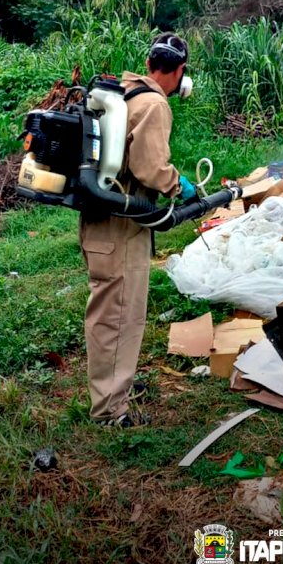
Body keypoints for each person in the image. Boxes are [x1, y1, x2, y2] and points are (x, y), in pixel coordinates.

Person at [79, 33, 196, 427]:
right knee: (120, 315)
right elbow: (150, 168)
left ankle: (113, 386)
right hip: (121, 226)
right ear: (178, 71)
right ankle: (111, 411)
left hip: (97, 219)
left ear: (149, 64)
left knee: (107, 309)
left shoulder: (122, 93)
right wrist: (179, 185)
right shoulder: (154, 104)